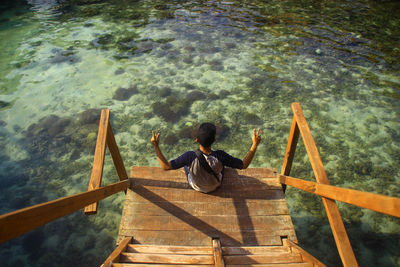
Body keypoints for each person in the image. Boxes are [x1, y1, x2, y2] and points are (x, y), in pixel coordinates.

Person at [151, 123, 261, 193]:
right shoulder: (220, 155)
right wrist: (254, 145)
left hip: (196, 186)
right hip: (215, 185)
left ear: (196, 140)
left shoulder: (189, 156)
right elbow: (243, 165)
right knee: (223, 167)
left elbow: (165, 166)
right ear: (214, 141)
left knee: (186, 165)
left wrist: (156, 146)